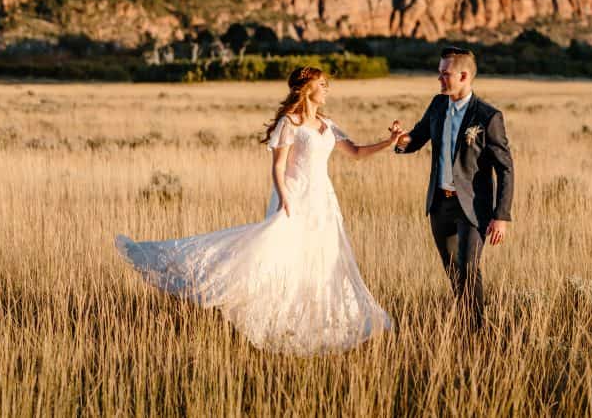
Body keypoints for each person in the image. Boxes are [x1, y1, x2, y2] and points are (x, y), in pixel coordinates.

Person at [116, 66, 400, 355]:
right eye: (322, 84)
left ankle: (315, 319)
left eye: (327, 84)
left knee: (323, 259)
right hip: (296, 198)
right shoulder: (290, 123)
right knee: (277, 258)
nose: (327, 89)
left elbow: (355, 153)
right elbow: (278, 166)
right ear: (307, 88)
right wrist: (285, 198)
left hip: (323, 203)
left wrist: (388, 143)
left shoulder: (327, 124)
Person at [394, 47, 515, 331]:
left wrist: (502, 216)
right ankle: (465, 322)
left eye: (444, 74)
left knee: (469, 269)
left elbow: (506, 168)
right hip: (439, 204)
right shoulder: (437, 105)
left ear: (463, 75)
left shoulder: (488, 116)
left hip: (473, 207)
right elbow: (418, 137)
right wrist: (401, 141)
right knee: (454, 272)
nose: (439, 79)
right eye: (439, 73)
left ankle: (475, 332)